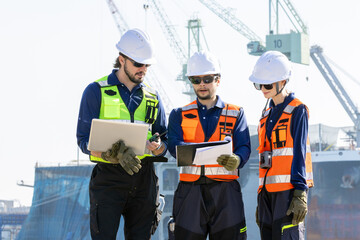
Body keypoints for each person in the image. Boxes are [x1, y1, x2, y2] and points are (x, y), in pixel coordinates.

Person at [76, 28, 168, 240]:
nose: (143, 69)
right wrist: (111, 154)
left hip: (144, 178)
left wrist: (159, 146)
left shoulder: (153, 96)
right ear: (122, 60)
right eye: (138, 63)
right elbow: (83, 140)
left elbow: (165, 139)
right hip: (109, 179)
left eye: (147, 64)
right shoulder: (96, 91)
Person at [168, 51, 251, 239]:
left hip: (226, 194)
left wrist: (237, 159)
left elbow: (244, 146)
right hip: (190, 192)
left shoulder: (236, 113)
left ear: (218, 80)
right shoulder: (178, 114)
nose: (202, 84)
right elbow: (174, 145)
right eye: (196, 80)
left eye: (207, 78)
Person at [248, 51, 314, 240]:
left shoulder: (297, 110)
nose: (263, 89)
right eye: (259, 84)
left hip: (288, 194)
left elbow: (299, 153)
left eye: (267, 84)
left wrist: (300, 193)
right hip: (267, 196)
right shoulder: (265, 115)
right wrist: (261, 197)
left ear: (283, 81)